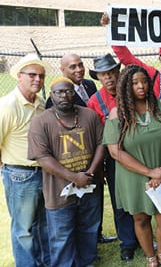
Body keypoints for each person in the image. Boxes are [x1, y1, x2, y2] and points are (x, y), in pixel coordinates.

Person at [101, 13, 161, 242]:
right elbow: (126, 57)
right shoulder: (152, 76)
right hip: (160, 141)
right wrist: (113, 29)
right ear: (160, 59)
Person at [103, 66, 161, 267]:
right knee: (140, 218)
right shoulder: (117, 114)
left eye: (144, 81)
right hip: (134, 174)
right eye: (135, 83)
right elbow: (115, 152)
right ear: (126, 87)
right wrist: (149, 173)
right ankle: (151, 258)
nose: (141, 86)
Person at [28, 77, 105, 267]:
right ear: (51, 95)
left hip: (90, 186)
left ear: (75, 93)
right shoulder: (41, 122)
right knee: (61, 236)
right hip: (58, 191)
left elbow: (101, 144)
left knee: (88, 229)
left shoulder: (89, 115)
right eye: (59, 92)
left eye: (69, 91)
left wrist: (89, 173)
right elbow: (43, 157)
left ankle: (86, 262)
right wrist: (74, 177)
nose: (64, 96)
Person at [0, 53, 51, 267]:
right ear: (19, 76)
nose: (37, 80)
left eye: (41, 76)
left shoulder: (40, 103)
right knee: (24, 230)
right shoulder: (7, 106)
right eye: (31, 75)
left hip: (44, 172)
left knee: (44, 226)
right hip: (20, 175)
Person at [87, 54, 137, 261]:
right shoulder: (94, 102)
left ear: (118, 72)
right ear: (98, 77)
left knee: (141, 198)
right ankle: (128, 243)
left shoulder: (132, 93)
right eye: (103, 74)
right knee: (120, 203)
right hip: (114, 158)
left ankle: (144, 236)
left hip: (138, 153)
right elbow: (94, 137)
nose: (108, 77)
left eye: (111, 72)